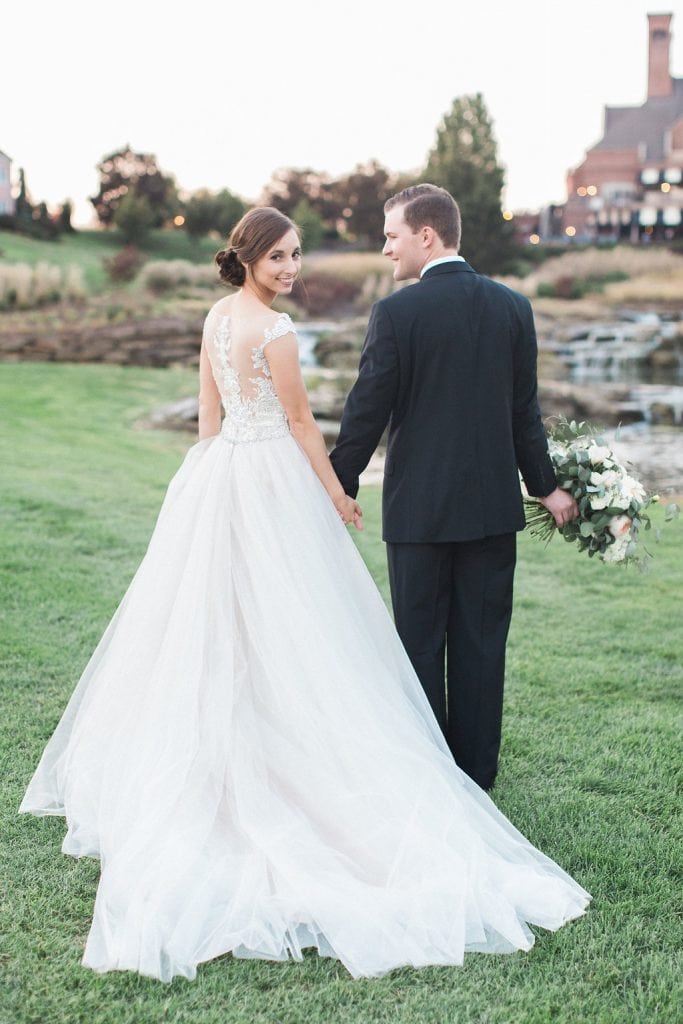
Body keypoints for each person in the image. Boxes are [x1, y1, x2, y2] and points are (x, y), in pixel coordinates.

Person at [20, 206, 589, 984]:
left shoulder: (244, 318)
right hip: (420, 501)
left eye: (298, 256)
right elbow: (310, 421)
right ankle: (460, 774)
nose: (295, 268)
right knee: (421, 639)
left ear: (425, 236)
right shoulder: (500, 309)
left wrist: (292, 483)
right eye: (284, 256)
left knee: (314, 634)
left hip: (274, 490)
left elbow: (253, 419)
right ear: (254, 256)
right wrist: (535, 486)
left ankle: (382, 760)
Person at [330, 184, 578, 792]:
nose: (386, 250)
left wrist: (337, 485)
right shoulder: (513, 307)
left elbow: (367, 411)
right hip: (493, 511)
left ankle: (428, 776)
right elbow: (526, 412)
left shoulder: (397, 314)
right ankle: (476, 774)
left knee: (419, 644)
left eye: (391, 236)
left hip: (419, 514)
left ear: (426, 236)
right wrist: (546, 488)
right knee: (481, 643)